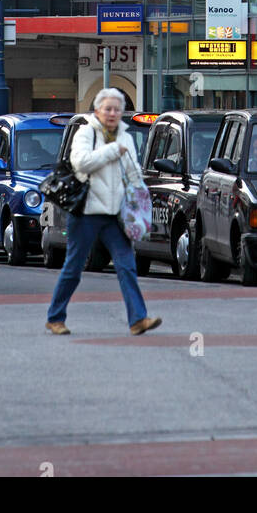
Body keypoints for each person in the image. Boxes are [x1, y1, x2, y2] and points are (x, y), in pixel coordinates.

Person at [45, 88, 161, 335]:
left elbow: (132, 171)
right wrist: (111, 151)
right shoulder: (86, 132)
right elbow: (81, 163)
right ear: (97, 110)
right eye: (107, 109)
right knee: (74, 267)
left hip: (114, 214)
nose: (112, 113)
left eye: (117, 109)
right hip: (86, 211)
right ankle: (55, 317)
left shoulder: (126, 136)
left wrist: (140, 196)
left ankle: (138, 319)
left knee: (126, 265)